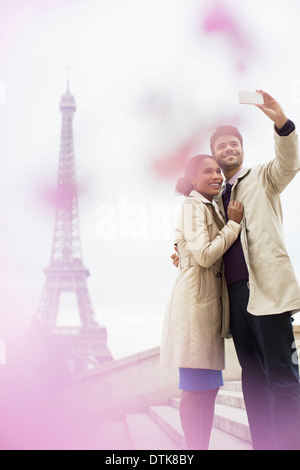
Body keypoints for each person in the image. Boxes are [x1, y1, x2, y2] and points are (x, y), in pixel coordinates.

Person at [171, 90, 300, 450]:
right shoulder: (214, 199)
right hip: (233, 298)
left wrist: (280, 121)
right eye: (222, 146)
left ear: (242, 148)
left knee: (281, 373)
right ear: (214, 155)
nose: (229, 149)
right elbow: (201, 241)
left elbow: (289, 163)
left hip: (267, 289)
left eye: (234, 144)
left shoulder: (264, 177)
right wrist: (180, 251)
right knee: (254, 379)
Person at [160, 154, 244, 450]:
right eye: (207, 171)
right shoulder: (192, 206)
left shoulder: (210, 207)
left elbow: (192, 251)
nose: (216, 175)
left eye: (218, 170)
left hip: (208, 308)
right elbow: (206, 254)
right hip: (195, 308)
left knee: (209, 391)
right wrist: (233, 225)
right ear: (192, 179)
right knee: (195, 391)